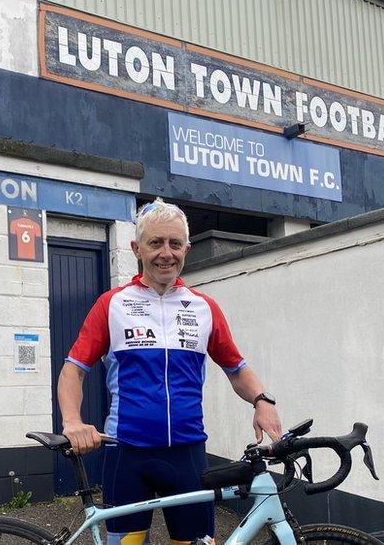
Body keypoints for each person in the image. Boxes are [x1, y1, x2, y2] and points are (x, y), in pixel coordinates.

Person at [57, 198, 282, 545]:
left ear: (187, 249)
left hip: (188, 454)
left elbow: (236, 367)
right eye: (156, 243)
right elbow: (74, 369)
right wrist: (73, 421)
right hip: (127, 454)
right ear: (136, 248)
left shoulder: (204, 307)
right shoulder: (112, 304)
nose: (166, 253)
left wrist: (262, 400)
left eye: (175, 244)